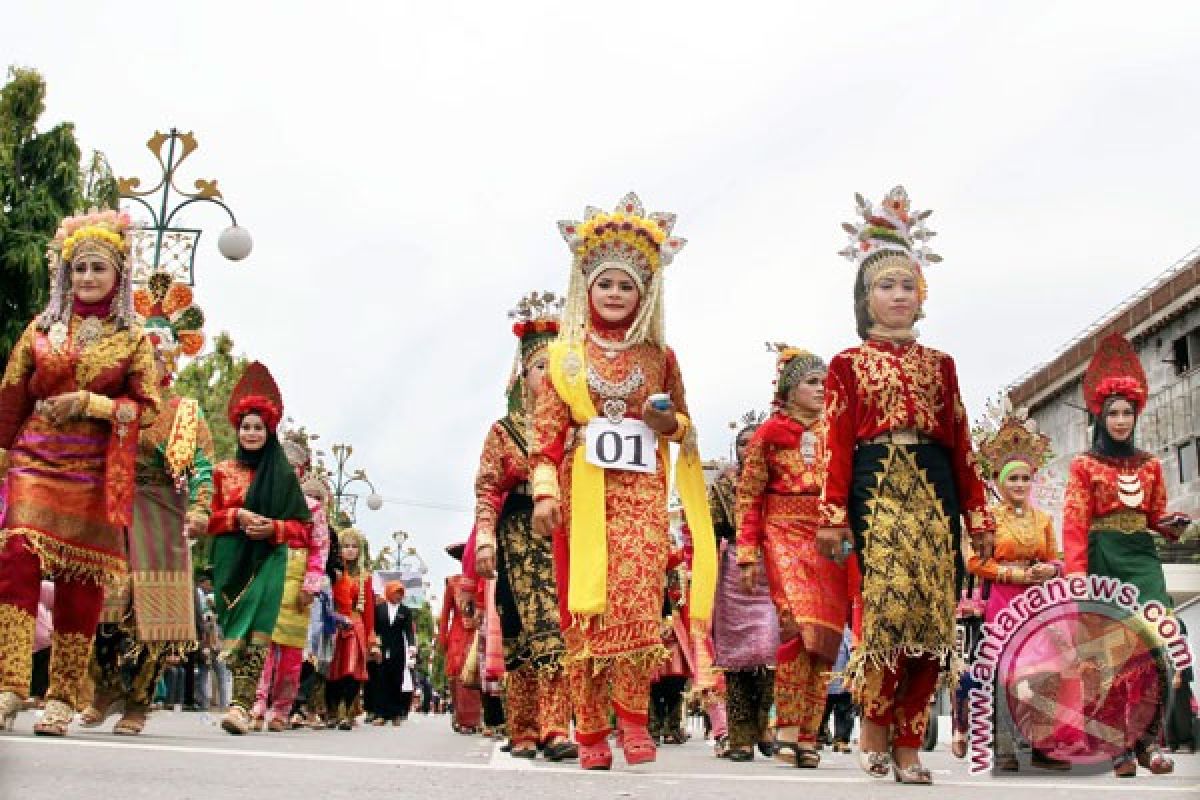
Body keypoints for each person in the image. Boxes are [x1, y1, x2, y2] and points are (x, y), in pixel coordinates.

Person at [531, 192, 716, 770]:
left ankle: (634, 722)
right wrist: (543, 491)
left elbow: (683, 424)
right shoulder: (565, 358)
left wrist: (668, 422)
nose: (615, 294)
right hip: (583, 497)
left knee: (637, 606)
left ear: (645, 293)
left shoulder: (661, 357)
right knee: (585, 609)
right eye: (605, 283)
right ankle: (589, 730)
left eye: (627, 285)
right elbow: (547, 433)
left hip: (639, 494)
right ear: (586, 287)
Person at [819, 187, 995, 784]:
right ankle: (873, 725)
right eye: (885, 286)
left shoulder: (941, 365)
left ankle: (910, 741)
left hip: (936, 489)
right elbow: (836, 442)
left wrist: (980, 519)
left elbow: (963, 444)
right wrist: (831, 514)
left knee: (933, 620)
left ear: (922, 296)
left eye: (907, 286)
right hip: (875, 487)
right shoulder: (845, 364)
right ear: (864, 297)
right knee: (889, 615)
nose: (898, 296)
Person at [0, 209, 162, 735]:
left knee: (80, 580)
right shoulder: (40, 330)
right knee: (18, 555)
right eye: (78, 269)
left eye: (98, 268)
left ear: (119, 276)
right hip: (36, 459)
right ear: (64, 275)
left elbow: (148, 408)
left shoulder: (133, 339)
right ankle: (9, 684)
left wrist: (93, 402)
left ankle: (63, 697)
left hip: (95, 471)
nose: (87, 278)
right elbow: (10, 397)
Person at [82, 273, 214, 735]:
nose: (152, 359)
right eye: (144, 350)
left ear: (172, 357)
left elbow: (201, 467)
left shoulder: (185, 413)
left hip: (161, 509)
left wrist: (199, 509)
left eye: (159, 350)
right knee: (103, 604)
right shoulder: (114, 403)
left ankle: (139, 701)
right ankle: (101, 688)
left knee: (155, 611)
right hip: (113, 505)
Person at [1063, 332, 1189, 777]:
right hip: (1103, 558)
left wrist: (1169, 525)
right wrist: (1077, 581)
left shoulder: (1152, 464)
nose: (1121, 421)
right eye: (1113, 414)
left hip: (1142, 558)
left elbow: (1154, 514)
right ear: (1101, 416)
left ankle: (1149, 743)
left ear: (1136, 416)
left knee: (1152, 648)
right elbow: (1075, 526)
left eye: (1127, 414)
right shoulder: (1084, 465)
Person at [472, 291, 575, 760]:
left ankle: (556, 727)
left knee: (556, 627)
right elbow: (487, 489)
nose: (548, 375)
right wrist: (487, 540)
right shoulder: (504, 430)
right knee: (519, 633)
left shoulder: (579, 428)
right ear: (523, 375)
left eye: (557, 366)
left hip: (566, 533)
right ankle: (525, 727)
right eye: (539, 367)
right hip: (519, 536)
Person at [737, 345, 849, 768]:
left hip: (831, 537)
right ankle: (785, 728)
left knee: (823, 640)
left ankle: (808, 734)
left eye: (826, 383)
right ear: (789, 388)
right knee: (794, 628)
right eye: (812, 382)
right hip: (783, 532)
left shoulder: (838, 431)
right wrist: (747, 552)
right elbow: (748, 495)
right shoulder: (770, 434)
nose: (822, 390)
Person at [205, 362, 313, 735]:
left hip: (268, 559)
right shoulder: (222, 471)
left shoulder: (283, 475)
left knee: (258, 631)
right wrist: (236, 517)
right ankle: (243, 701)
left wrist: (273, 528)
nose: (252, 434)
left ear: (269, 431)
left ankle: (240, 706)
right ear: (238, 429)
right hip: (231, 560)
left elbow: (303, 530)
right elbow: (210, 520)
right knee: (234, 629)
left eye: (258, 428)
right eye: (246, 427)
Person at [968, 402, 1071, 771]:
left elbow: (1057, 556)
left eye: (1025, 479)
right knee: (1008, 670)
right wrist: (1014, 575)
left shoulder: (1043, 518)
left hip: (1037, 602)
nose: (1019, 485)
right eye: (1013, 479)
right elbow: (974, 560)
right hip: (1004, 600)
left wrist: (1050, 569)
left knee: (1045, 670)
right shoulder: (988, 519)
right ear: (999, 481)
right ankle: (1006, 746)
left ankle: (1043, 745)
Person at [249, 428, 329, 731]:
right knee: (260, 645)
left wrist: (310, 585)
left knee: (291, 652)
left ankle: (282, 707)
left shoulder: (312, 508)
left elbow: (319, 547)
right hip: (266, 575)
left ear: (302, 471)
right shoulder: (261, 499)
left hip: (296, 581)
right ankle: (256, 702)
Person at [710, 413, 778, 762]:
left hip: (772, 568)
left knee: (768, 651)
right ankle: (739, 737)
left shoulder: (778, 481)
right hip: (735, 572)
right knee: (737, 661)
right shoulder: (722, 487)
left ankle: (765, 727)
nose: (747, 449)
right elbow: (711, 530)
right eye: (741, 443)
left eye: (753, 443)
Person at [325, 527, 375, 730]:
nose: (350, 550)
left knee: (351, 670)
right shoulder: (332, 572)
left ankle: (347, 712)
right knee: (331, 670)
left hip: (355, 626)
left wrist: (372, 640)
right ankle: (331, 711)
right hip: (332, 623)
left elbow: (369, 612)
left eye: (354, 546)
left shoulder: (366, 578)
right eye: (346, 546)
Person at [438, 543, 481, 733]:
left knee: (478, 672)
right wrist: (442, 638)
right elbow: (445, 613)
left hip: (478, 631)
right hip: (457, 633)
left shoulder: (484, 581)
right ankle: (462, 717)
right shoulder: (452, 582)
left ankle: (478, 718)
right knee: (458, 674)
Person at [370, 581, 416, 726]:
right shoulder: (379, 609)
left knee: (397, 680)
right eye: (396, 592)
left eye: (401, 593)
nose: (399, 596)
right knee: (381, 680)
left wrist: (412, 646)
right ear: (389, 592)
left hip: (398, 650)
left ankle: (396, 713)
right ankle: (381, 714)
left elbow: (408, 631)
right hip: (381, 648)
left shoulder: (405, 611)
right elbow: (374, 629)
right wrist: (374, 646)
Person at [819, 627, 856, 753]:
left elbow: (853, 654)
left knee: (844, 713)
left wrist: (853, 676)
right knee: (821, 712)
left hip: (844, 683)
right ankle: (818, 737)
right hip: (824, 681)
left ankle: (841, 740)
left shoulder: (847, 632)